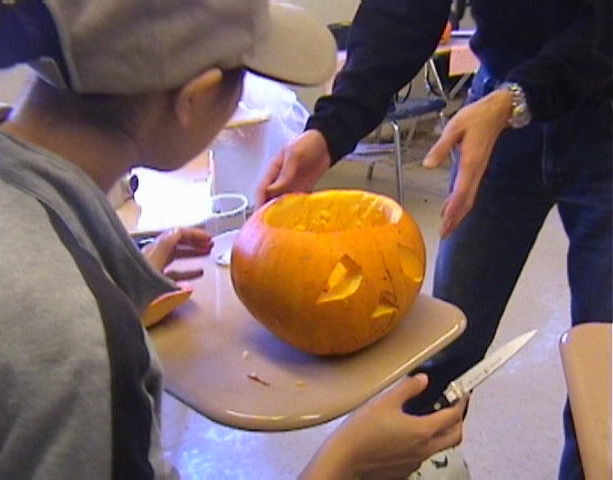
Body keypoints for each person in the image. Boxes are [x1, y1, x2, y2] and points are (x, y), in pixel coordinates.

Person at [0, 0, 468, 478]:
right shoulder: (80, 353)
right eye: (244, 79)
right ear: (195, 99)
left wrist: (111, 273)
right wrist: (345, 462)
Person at [256, 0, 612, 478]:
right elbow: (402, 11)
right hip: (495, 105)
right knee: (446, 341)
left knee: (603, 374)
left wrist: (518, 97)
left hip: (599, 104)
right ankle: (412, 460)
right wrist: (330, 129)